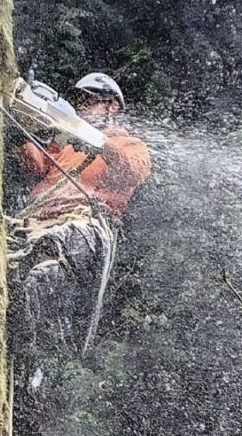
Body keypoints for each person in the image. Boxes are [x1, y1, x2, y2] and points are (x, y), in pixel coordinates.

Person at [9, 73, 151, 354]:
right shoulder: (64, 146)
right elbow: (35, 166)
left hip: (82, 224)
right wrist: (25, 130)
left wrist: (96, 142)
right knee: (11, 264)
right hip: (34, 222)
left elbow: (131, 169)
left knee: (49, 260)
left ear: (111, 107)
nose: (84, 108)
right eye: (81, 102)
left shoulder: (130, 145)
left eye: (91, 101)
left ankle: (24, 341)